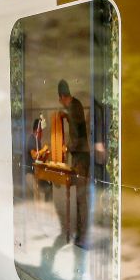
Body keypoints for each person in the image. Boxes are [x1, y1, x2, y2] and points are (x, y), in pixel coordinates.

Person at [57, 79, 90, 247]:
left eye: (60, 100)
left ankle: (83, 237)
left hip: (81, 158)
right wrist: (65, 116)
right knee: (79, 197)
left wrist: (65, 147)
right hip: (80, 156)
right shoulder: (75, 105)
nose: (61, 103)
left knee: (81, 197)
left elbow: (76, 136)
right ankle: (80, 235)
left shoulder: (73, 107)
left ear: (62, 97)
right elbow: (75, 122)